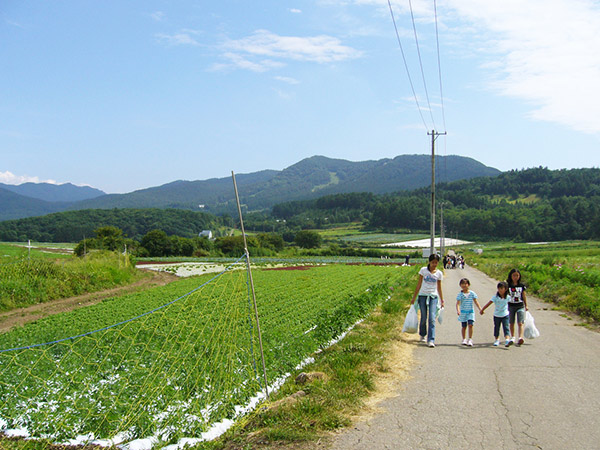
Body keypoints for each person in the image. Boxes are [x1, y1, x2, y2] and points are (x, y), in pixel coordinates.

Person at [411, 254, 444, 348]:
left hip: (433, 297)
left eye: (436, 263)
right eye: (433, 262)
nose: (434, 264)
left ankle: (431, 339)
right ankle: (422, 334)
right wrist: (414, 297)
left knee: (432, 318)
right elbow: (419, 284)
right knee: (424, 317)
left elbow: (439, 287)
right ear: (429, 262)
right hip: (423, 296)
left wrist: (442, 300)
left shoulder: (439, 273)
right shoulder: (423, 270)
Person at [480, 281, 513, 347]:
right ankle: (497, 339)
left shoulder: (508, 297)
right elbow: (489, 303)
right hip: (497, 315)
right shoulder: (495, 297)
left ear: (505, 289)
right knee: (497, 328)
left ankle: (507, 340)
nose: (500, 290)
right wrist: (482, 309)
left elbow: (512, 305)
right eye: (499, 288)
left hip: (505, 315)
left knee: (506, 327)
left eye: (502, 288)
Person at [455, 278, 481, 346]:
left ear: (468, 285)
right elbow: (457, 303)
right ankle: (464, 339)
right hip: (463, 312)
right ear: (460, 285)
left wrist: (480, 309)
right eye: (462, 284)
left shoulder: (472, 293)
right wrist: (458, 311)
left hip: (470, 312)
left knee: (470, 325)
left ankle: (470, 339)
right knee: (464, 326)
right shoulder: (460, 294)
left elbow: (476, 302)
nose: (464, 285)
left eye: (465, 284)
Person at [507, 268, 528, 346]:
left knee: (520, 322)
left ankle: (520, 337)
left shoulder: (521, 286)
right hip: (511, 306)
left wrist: (526, 305)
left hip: (520, 305)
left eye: (517, 275)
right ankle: (512, 337)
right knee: (511, 322)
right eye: (514, 275)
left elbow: (524, 295)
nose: (515, 277)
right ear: (511, 276)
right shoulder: (508, 285)